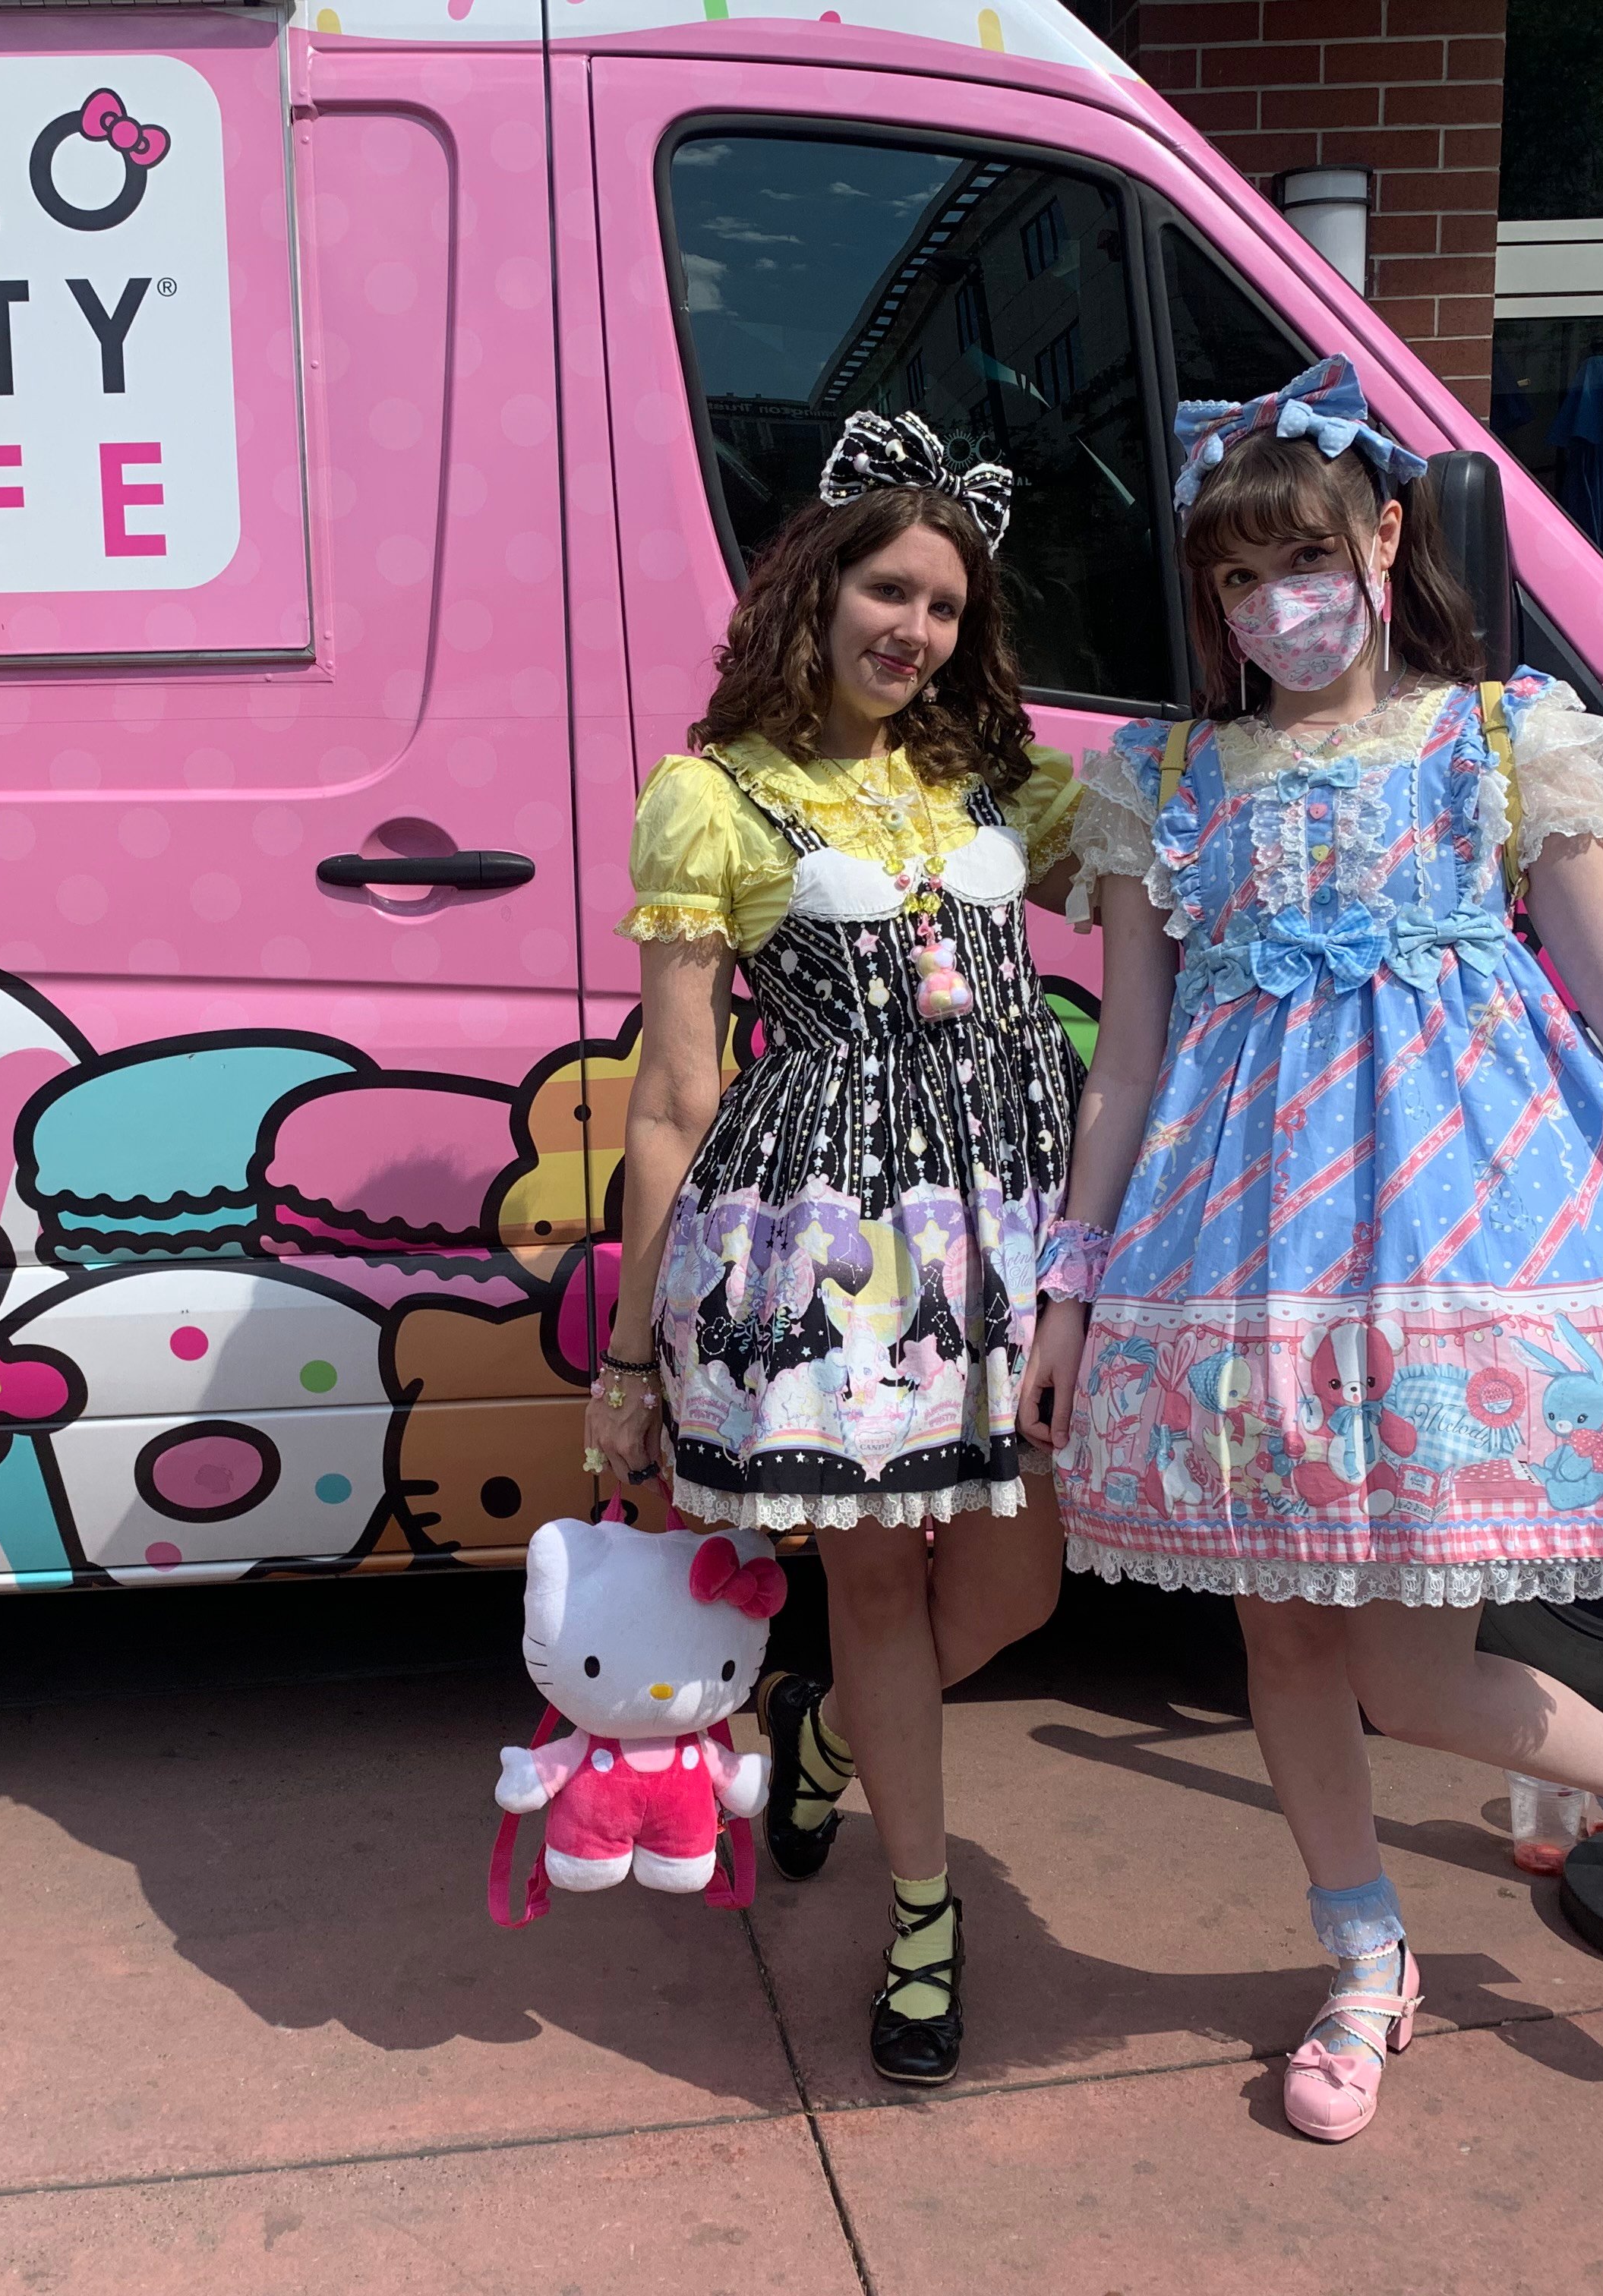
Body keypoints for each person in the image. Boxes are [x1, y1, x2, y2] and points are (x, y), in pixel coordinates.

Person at [1018, 358, 1603, 2143]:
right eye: (1239, 575)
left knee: (1405, 1659)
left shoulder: (1500, 739)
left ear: (1386, 537)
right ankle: (1364, 1959)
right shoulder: (1164, 780)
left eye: (1310, 557)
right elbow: (1122, 1063)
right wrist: (1070, 1285)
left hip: (1462, 1251)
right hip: (1239, 1264)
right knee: (1282, 1647)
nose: (1281, 602)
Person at [584, 412, 1085, 2086]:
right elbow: (671, 1096)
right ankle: (923, 1923)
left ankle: (823, 1729)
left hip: (1017, 1216)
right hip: (840, 1237)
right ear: (816, 584)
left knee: (1017, 1579)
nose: (916, 630)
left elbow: (1174, 886)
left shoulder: (999, 774)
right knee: (876, 1574)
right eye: (890, 588)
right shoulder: (712, 797)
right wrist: (633, 1351)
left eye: (947, 606)